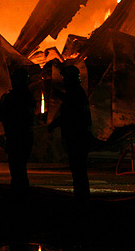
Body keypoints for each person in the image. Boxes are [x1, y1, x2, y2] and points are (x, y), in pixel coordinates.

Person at [48, 64, 92, 202]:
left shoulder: (76, 95)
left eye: (65, 78)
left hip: (77, 137)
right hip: (79, 136)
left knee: (78, 170)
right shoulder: (77, 93)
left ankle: (81, 199)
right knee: (79, 170)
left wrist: (53, 124)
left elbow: (69, 114)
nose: (63, 81)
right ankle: (81, 196)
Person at [0, 66, 35, 197]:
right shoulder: (29, 97)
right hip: (25, 136)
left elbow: (5, 114)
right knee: (20, 166)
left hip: (15, 136)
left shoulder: (11, 97)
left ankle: (18, 194)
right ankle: (21, 193)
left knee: (16, 167)